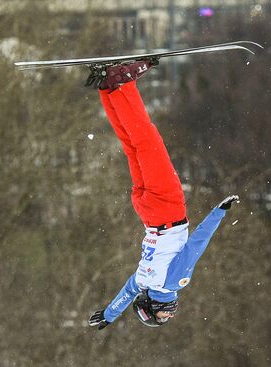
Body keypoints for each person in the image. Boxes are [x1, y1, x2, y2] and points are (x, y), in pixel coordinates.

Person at [86, 59, 239, 329]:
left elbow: (196, 246)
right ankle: (108, 88)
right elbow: (126, 293)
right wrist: (109, 314)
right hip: (146, 212)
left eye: (164, 316)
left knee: (146, 140)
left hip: (167, 210)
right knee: (132, 146)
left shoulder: (174, 282)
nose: (170, 313)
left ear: (153, 307)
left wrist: (219, 212)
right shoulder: (144, 281)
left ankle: (123, 81)